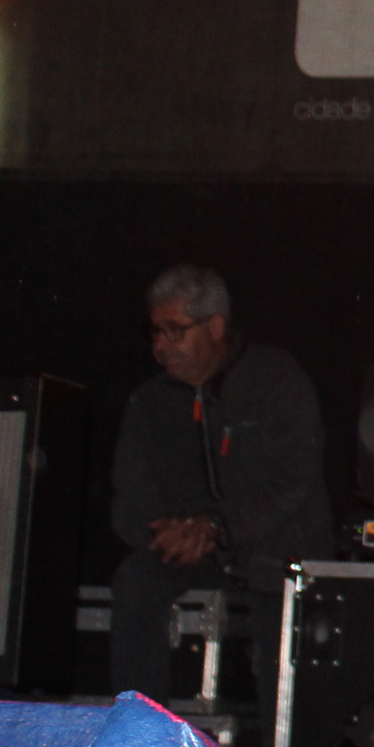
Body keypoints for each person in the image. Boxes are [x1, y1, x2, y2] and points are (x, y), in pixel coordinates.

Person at [107, 265, 332, 704]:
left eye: (175, 331)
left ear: (215, 327)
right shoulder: (149, 403)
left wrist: (220, 527)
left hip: (273, 552)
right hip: (195, 555)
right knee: (135, 580)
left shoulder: (275, 379)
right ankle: (140, 729)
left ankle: (280, 741)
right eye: (155, 332)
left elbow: (294, 480)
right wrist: (171, 535)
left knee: (282, 615)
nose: (161, 345)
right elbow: (129, 497)